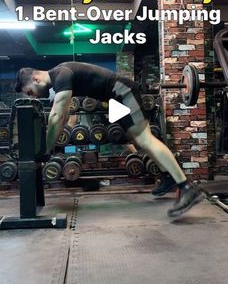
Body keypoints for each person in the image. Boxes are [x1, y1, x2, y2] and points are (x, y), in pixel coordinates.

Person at [15, 61, 205, 217]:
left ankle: (187, 187)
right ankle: (168, 177)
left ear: (35, 78)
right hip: (116, 97)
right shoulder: (60, 75)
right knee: (137, 139)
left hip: (123, 92)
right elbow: (62, 117)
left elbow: (57, 116)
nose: (34, 96)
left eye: (30, 92)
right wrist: (50, 145)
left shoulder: (61, 74)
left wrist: (46, 149)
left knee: (144, 138)